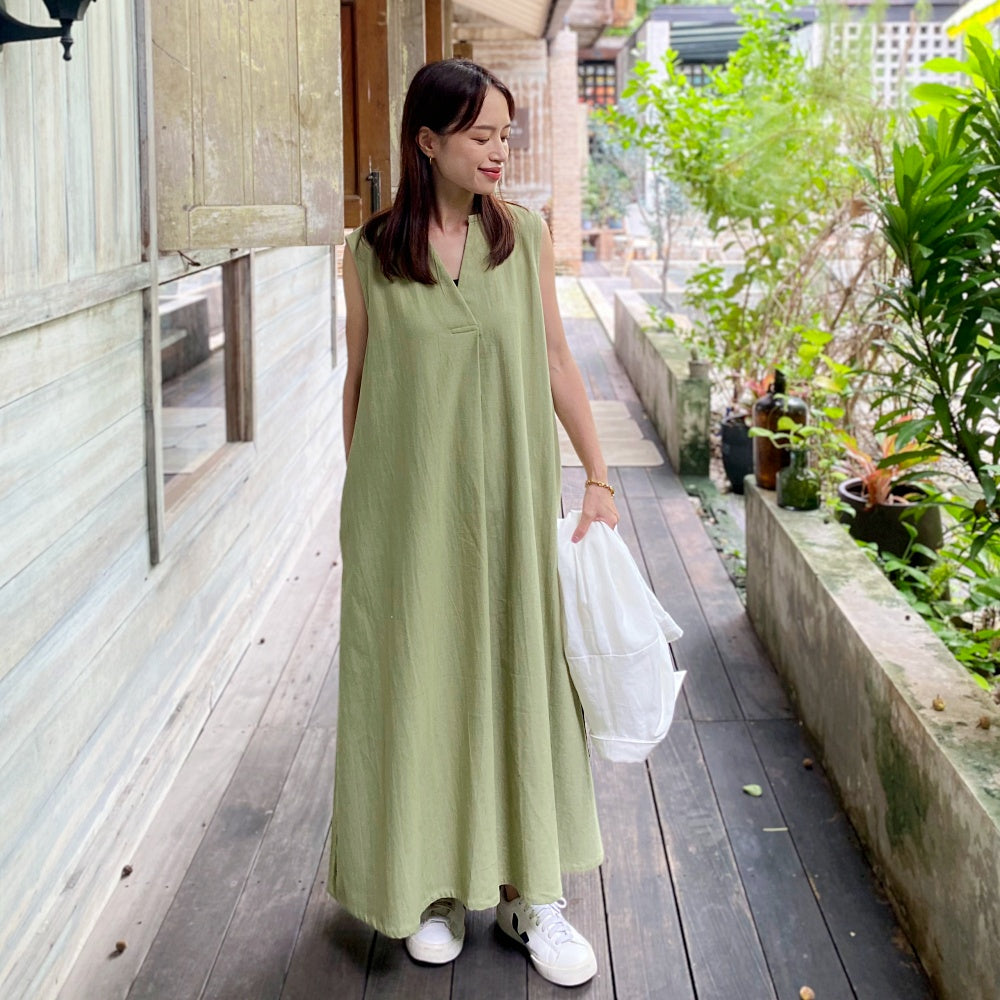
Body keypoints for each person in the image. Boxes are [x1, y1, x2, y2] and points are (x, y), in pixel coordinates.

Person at [329, 58, 619, 989]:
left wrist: (599, 477)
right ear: (427, 141)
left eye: (506, 135)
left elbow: (559, 362)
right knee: (423, 685)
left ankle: (534, 896)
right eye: (481, 136)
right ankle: (437, 886)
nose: (500, 152)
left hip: (510, 507)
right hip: (407, 513)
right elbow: (361, 382)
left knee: (520, 677)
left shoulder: (523, 236)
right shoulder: (370, 252)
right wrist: (366, 507)